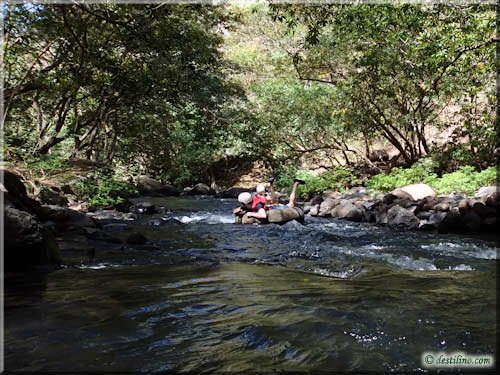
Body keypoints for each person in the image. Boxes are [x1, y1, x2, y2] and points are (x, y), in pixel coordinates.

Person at [234, 178, 305, 221]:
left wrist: (251, 213)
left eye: (242, 203)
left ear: (245, 203)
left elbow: (263, 215)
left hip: (274, 208)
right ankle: (271, 184)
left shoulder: (258, 205)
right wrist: (237, 211)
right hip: (270, 205)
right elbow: (237, 210)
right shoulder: (247, 203)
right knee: (273, 201)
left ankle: (296, 184)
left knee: (291, 204)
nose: (241, 205)